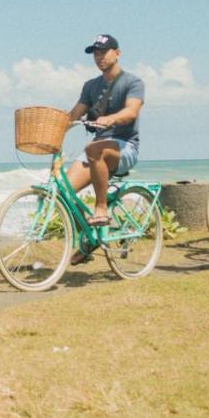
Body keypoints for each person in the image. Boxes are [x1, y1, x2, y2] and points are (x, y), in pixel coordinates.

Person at [63, 34, 145, 259]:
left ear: (117, 53)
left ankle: (101, 209)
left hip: (125, 147)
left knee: (93, 147)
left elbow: (132, 111)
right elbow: (73, 115)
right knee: (64, 191)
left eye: (104, 51)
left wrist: (112, 118)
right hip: (97, 149)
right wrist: (54, 130)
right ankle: (90, 238)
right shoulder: (90, 86)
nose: (99, 56)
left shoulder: (132, 83)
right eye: (95, 53)